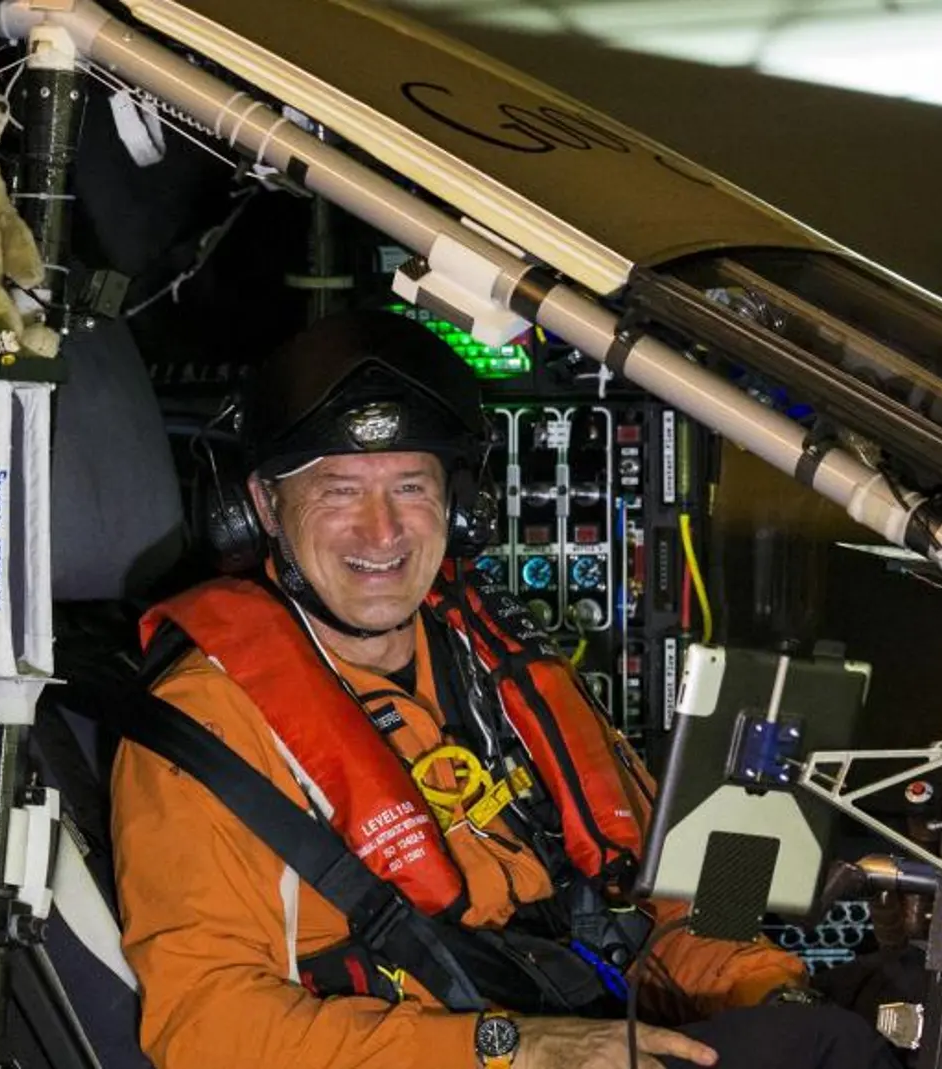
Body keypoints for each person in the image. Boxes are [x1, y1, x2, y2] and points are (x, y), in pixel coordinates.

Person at [110, 310, 899, 1069]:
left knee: (869, 1026)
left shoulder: (497, 657)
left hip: (599, 1025)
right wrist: (508, 1049)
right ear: (262, 509)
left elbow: (677, 902)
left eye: (411, 488)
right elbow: (204, 1029)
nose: (381, 533)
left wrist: (767, 987)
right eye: (340, 490)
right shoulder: (204, 728)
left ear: (460, 510)